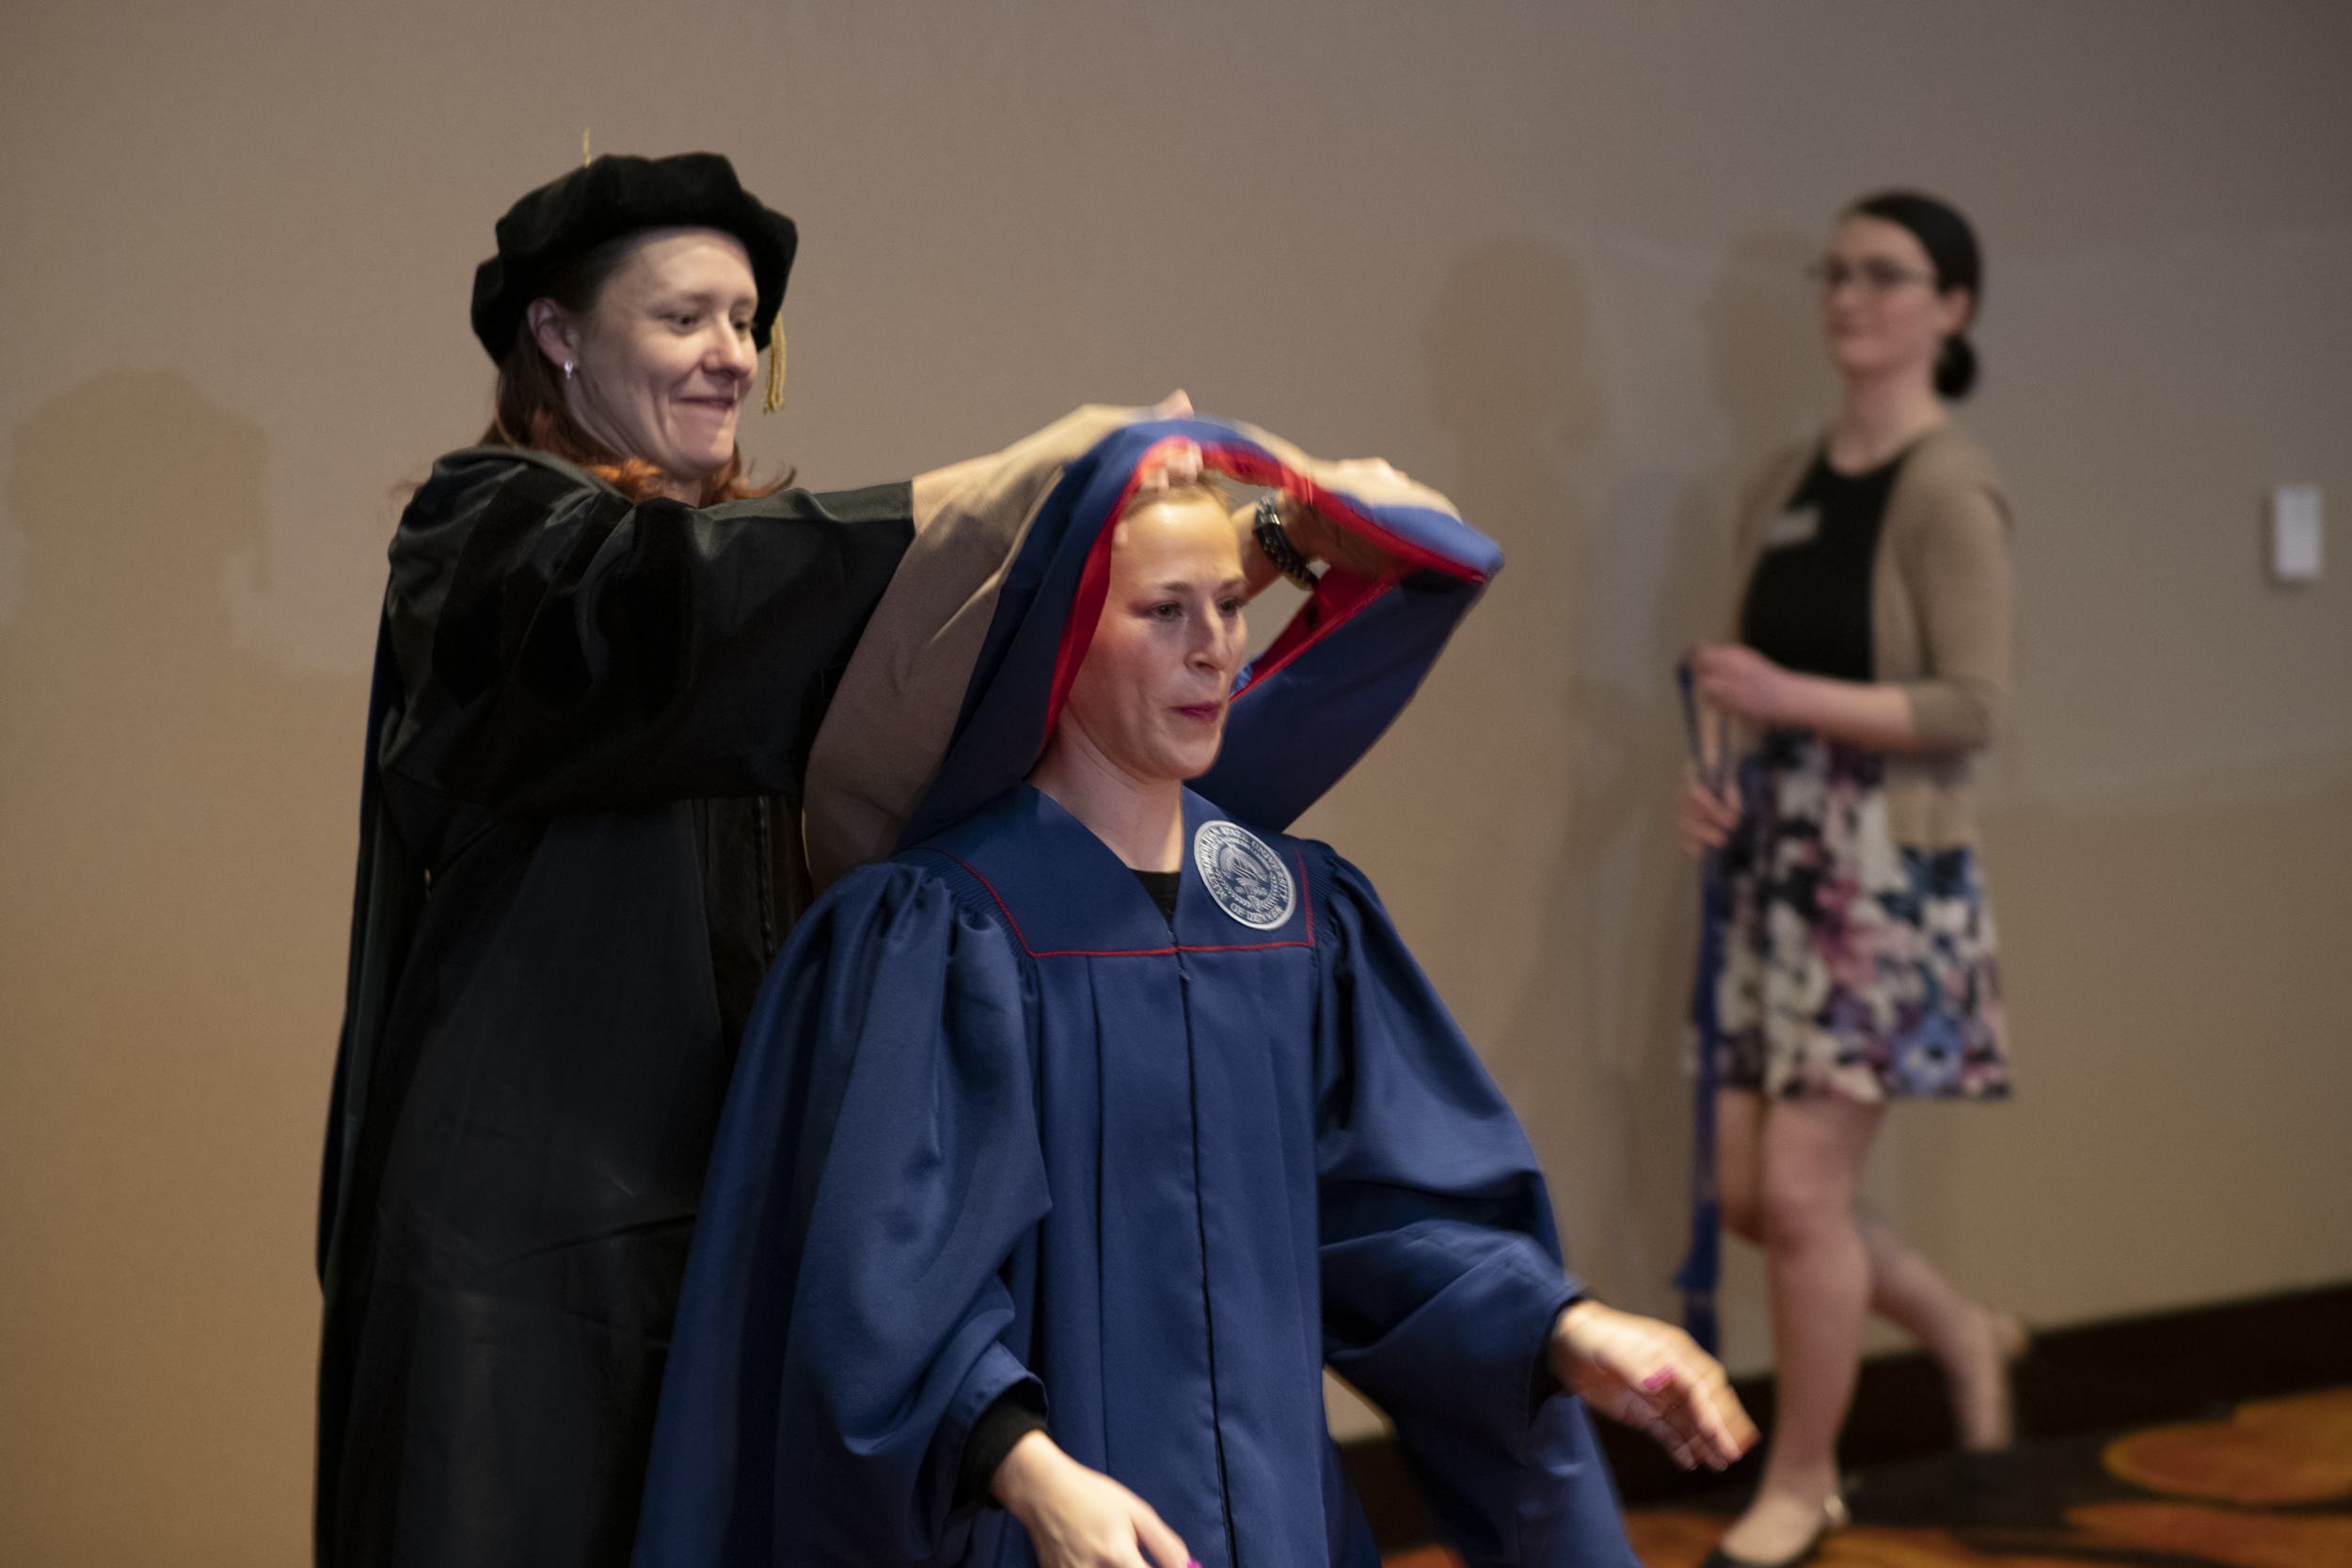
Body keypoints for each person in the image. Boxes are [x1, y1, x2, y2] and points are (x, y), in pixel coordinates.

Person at [313, 153, 1377, 1568]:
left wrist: (1251, 535)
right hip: (534, 1237)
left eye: (748, 321)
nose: (731, 356)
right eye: (685, 317)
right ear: (557, 334)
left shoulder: (773, 587)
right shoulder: (487, 538)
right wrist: (1019, 489)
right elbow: (672, 615)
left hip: (749, 1197)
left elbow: (1012, 690)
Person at [637, 416, 1756, 1568]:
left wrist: (1564, 1326)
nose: (1216, 648)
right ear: (1063, 636)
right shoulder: (946, 928)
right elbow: (883, 1286)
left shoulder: (1294, 913)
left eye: (1228, 603)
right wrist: (1031, 1469)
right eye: (1163, 611)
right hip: (1051, 1532)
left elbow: (1384, 1215)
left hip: (1281, 1524)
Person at [1678, 191, 2024, 1568]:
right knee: (1757, 1193)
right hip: (1780, 856)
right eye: (1837, 272)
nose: (1850, 295)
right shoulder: (1785, 478)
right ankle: (1965, 1331)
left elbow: (1971, 705)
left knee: (1807, 1197)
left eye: (1886, 275)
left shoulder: (1952, 487)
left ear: (1951, 310)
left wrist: (1786, 694)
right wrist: (1715, 764)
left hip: (1888, 875)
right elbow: (1731, 670)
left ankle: (1805, 1479)